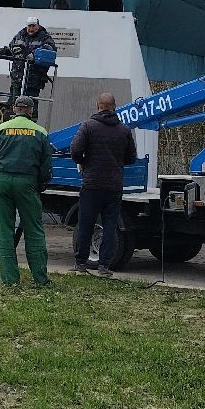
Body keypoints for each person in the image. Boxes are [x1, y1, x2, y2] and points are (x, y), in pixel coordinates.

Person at [0, 95, 54, 288]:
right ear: (31, 110)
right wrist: (40, 184)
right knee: (34, 230)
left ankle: (10, 279)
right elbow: (46, 165)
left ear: (14, 109)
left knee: (5, 230)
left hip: (2, 180)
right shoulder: (40, 132)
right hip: (28, 182)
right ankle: (40, 278)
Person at [69, 92, 137, 277]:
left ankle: (81, 264)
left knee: (86, 224)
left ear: (98, 106)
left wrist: (83, 161)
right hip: (114, 185)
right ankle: (104, 267)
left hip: (92, 184)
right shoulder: (124, 130)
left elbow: (75, 150)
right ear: (114, 106)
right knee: (110, 226)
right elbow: (131, 157)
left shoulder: (88, 126)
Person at [0, 16, 56, 107]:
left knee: (30, 106)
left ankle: (32, 120)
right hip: (17, 79)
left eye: (33, 26)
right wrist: (0, 51)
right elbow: (11, 48)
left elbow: (50, 48)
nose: (31, 29)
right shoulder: (20, 35)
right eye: (29, 26)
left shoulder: (45, 37)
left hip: (33, 80)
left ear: (38, 26)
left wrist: (34, 55)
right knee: (14, 104)